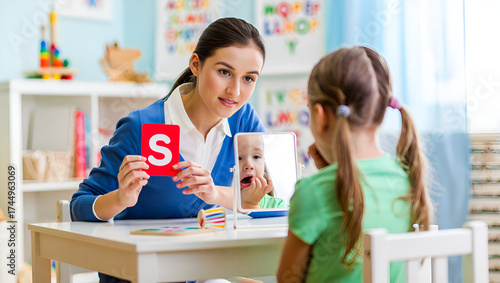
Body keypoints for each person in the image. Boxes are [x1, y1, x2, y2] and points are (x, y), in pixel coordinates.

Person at [70, 17, 266, 282]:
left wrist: (215, 193)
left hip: (203, 270)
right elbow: (78, 206)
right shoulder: (142, 126)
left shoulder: (244, 121)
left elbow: (270, 200)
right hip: (141, 274)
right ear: (196, 65)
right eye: (224, 72)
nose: (235, 90)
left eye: (249, 78)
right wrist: (121, 198)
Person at [277, 46, 433, 282]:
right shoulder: (407, 178)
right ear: (381, 112)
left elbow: (287, 279)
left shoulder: (313, 192)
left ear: (320, 115)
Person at [237, 134, 288, 209]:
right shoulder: (218, 204)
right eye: (238, 158)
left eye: (256, 156)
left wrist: (252, 204)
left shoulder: (278, 206)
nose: (249, 165)